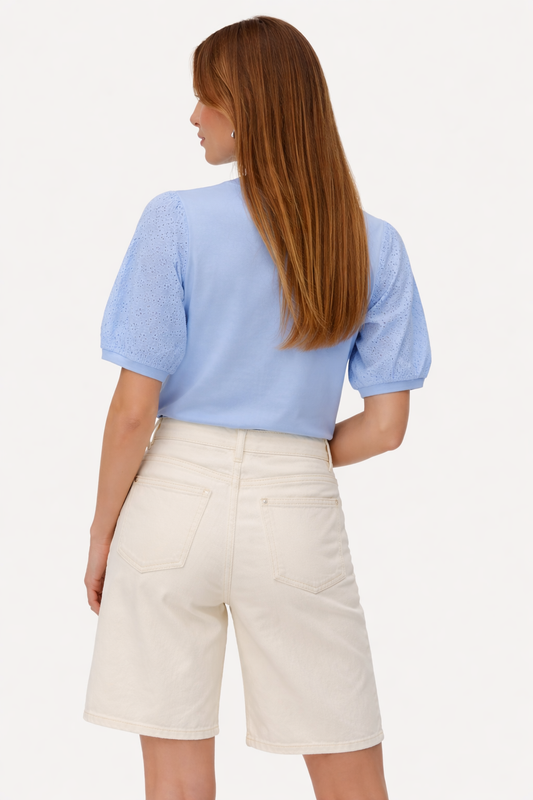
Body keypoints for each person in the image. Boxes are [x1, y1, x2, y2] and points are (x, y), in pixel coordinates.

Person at [83, 15, 431, 800]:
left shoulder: (174, 220)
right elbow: (385, 428)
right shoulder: (372, 244)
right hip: (296, 505)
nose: (193, 116)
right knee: (349, 775)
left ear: (245, 107)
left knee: (175, 784)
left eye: (205, 98)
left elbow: (133, 412)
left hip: (169, 501)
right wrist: (289, 454)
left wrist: (102, 531)